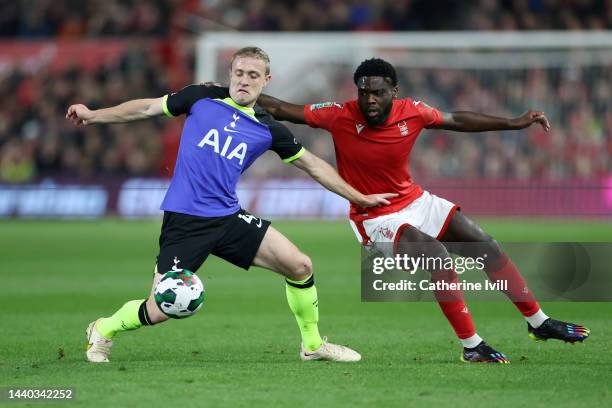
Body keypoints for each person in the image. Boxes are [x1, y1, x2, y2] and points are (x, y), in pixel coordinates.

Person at [242, 57, 590, 363]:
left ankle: (538, 322)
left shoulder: (414, 111)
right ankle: (472, 345)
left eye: (378, 92)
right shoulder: (340, 114)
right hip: (375, 216)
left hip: (416, 200)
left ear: (394, 90)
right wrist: (232, 92)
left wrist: (512, 123)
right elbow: (283, 109)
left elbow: (457, 120)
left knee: (485, 244)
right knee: (437, 258)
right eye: (364, 92)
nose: (370, 100)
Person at [66, 47, 396, 364]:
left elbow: (312, 165)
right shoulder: (201, 97)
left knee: (300, 266)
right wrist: (94, 115)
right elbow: (146, 108)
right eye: (239, 72)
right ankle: (103, 328)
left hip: (228, 218)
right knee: (162, 308)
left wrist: (358, 196)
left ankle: (312, 345)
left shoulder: (268, 128)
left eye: (253, 75)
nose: (244, 80)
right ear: (230, 74)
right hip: (186, 222)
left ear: (266, 80)